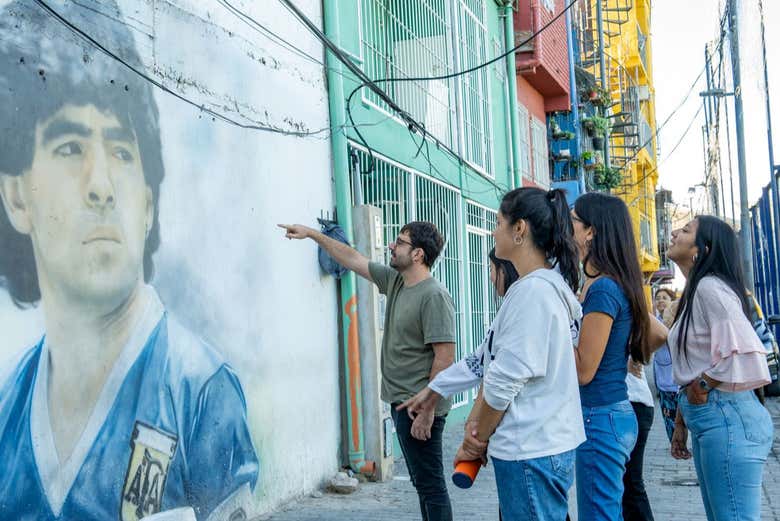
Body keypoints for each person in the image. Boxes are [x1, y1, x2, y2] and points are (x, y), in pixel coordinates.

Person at [0, 3, 258, 519]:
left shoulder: (199, 391)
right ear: (17, 197)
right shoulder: (8, 407)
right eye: (70, 146)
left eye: (121, 152)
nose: (101, 187)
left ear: (149, 202)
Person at [400, 187, 586, 521]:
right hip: (540, 447)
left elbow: (502, 382)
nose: (493, 230)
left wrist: (475, 439)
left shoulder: (533, 293)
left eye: (499, 222)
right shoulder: (538, 288)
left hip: (530, 449)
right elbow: (484, 359)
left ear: (520, 229)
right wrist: (436, 389)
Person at [279, 220, 457, 521]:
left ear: (417, 255)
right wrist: (312, 234)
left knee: (431, 486)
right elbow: (352, 258)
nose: (391, 245)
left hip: (419, 408)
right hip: (403, 403)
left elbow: (444, 358)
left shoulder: (433, 295)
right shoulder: (396, 281)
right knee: (423, 484)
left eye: (399, 242)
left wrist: (427, 411)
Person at [667, 216, 772, 521]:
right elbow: (697, 358)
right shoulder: (696, 290)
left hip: (727, 420)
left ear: (702, 249)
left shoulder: (709, 288)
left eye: (685, 230)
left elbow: (745, 347)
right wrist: (682, 418)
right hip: (713, 421)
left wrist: (702, 386)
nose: (674, 232)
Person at [570, 192, 666, 521]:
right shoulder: (612, 284)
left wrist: (548, 328)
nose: (568, 229)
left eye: (573, 221)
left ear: (591, 232)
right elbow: (657, 333)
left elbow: (583, 369)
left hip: (599, 417)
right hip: (611, 413)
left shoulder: (603, 289)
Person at [652, 289, 680, 442]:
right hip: (663, 382)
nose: (661, 301)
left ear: (672, 301)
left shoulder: (678, 321)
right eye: (658, 298)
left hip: (680, 382)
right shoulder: (653, 322)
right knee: (668, 417)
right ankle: (674, 444)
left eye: (665, 298)